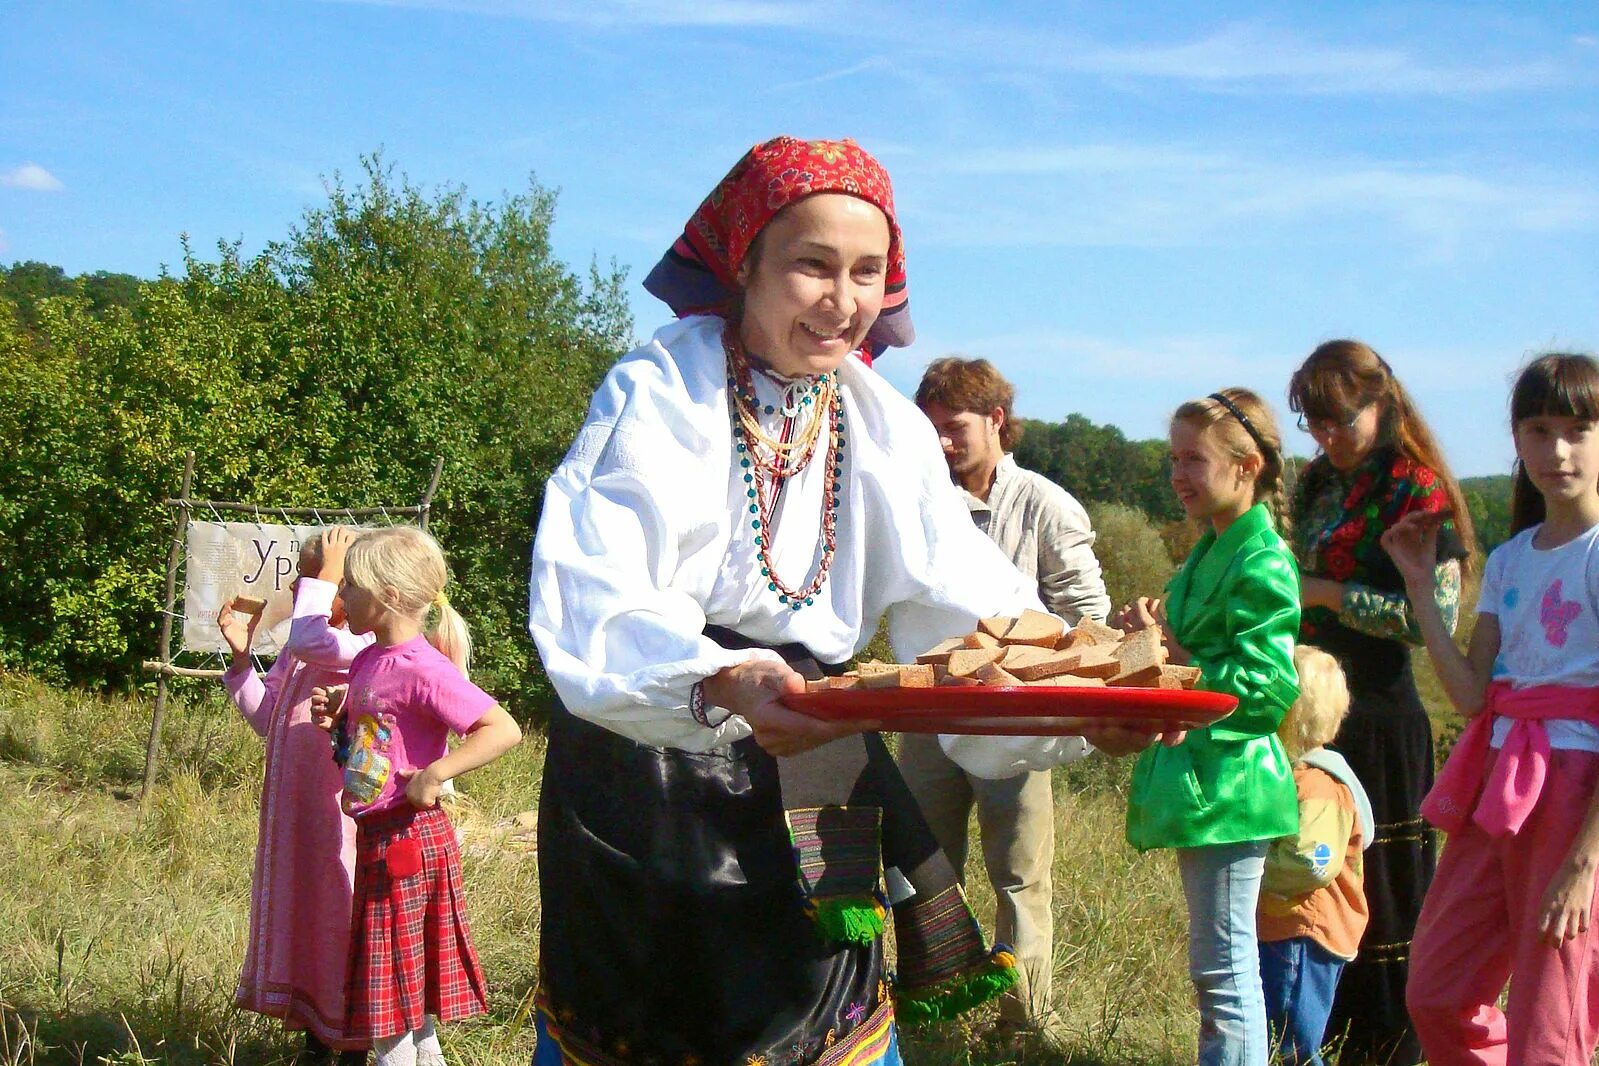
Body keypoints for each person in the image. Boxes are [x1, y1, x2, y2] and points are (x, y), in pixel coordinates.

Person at [527, 136, 1105, 1066]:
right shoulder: (659, 389)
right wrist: (718, 682)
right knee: (645, 1025)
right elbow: (597, 589)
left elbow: (968, 606)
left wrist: (1076, 695)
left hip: (820, 767)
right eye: (811, 265)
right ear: (744, 260)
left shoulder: (880, 425)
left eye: (867, 272)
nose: (842, 301)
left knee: (824, 1023)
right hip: (653, 762)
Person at [1387, 353, 1599, 1066]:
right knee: (1436, 990)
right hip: (1500, 783)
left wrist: (1583, 861)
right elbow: (1472, 694)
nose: (1557, 450)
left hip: (1575, 794)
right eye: (1538, 430)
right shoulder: (1509, 560)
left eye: (1578, 429)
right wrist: (1420, 589)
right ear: (1515, 440)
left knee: (1548, 1020)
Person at [899, 355, 1111, 1035]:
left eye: (954, 426)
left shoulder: (1045, 504)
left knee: (1018, 879)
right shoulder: (919, 504)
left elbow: (1089, 617)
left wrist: (1034, 673)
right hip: (931, 715)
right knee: (921, 867)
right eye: (929, 428)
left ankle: (1023, 1027)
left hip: (1016, 722)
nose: (940, 442)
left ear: (996, 420)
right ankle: (929, 1015)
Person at [1286, 340, 1476, 1064]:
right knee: (1311, 880)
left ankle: (1393, 1047)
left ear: (1381, 404)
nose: (1327, 438)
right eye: (1314, 423)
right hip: (1308, 714)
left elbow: (1433, 623)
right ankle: (1315, 1038)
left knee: (1386, 894)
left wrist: (1330, 594)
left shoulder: (1418, 490)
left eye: (1340, 421)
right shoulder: (1314, 484)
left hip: (1380, 717)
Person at [1115, 388, 1302, 1066]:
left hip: (1233, 786)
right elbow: (1192, 652)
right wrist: (1155, 637)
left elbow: (1265, 689)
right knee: (1215, 966)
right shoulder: (1211, 550)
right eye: (1172, 459)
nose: (1177, 475)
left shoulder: (1260, 558)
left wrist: (1177, 657)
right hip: (1209, 781)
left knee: (1224, 971)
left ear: (1245, 466)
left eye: (1193, 459)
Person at [313, 526, 522, 1066]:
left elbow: (502, 729)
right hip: (378, 839)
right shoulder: (367, 661)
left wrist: (437, 773)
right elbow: (378, 730)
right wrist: (339, 712)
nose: (342, 598)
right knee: (402, 996)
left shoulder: (424, 667)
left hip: (410, 843)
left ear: (389, 595)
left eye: (351, 586)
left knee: (388, 1004)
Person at [219, 526, 372, 1066]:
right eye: (306, 576)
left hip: (340, 817)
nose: (304, 586)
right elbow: (269, 719)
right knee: (309, 913)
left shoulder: (361, 646)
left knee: (341, 909)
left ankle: (352, 1038)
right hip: (296, 816)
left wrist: (330, 573)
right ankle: (315, 1032)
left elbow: (312, 637)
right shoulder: (307, 648)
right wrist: (241, 663)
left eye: (318, 578)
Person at [1257, 645, 1372, 1066]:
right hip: (1284, 926)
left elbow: (1311, 862)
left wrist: (1250, 870)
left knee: (1290, 1045)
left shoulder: (1318, 784)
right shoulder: (1297, 774)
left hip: (1302, 930)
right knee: (1277, 1035)